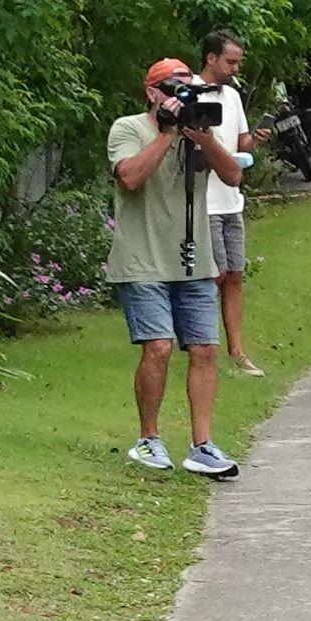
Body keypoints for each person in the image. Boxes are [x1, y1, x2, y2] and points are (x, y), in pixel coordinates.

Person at [109, 57, 244, 479]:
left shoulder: (198, 131)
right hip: (143, 257)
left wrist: (200, 136)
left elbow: (233, 176)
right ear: (152, 92)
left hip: (193, 258)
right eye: (173, 87)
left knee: (205, 349)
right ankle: (148, 438)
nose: (180, 95)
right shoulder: (128, 128)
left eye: (189, 88)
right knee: (160, 347)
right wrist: (167, 134)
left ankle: (202, 445)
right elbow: (130, 177)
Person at [196, 29, 265, 377]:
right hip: (203, 200)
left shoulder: (233, 96)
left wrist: (257, 139)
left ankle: (237, 349)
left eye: (237, 62)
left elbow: (242, 143)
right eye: (230, 61)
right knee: (214, 274)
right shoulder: (191, 92)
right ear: (210, 58)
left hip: (230, 200)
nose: (235, 68)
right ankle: (206, 344)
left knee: (235, 274)